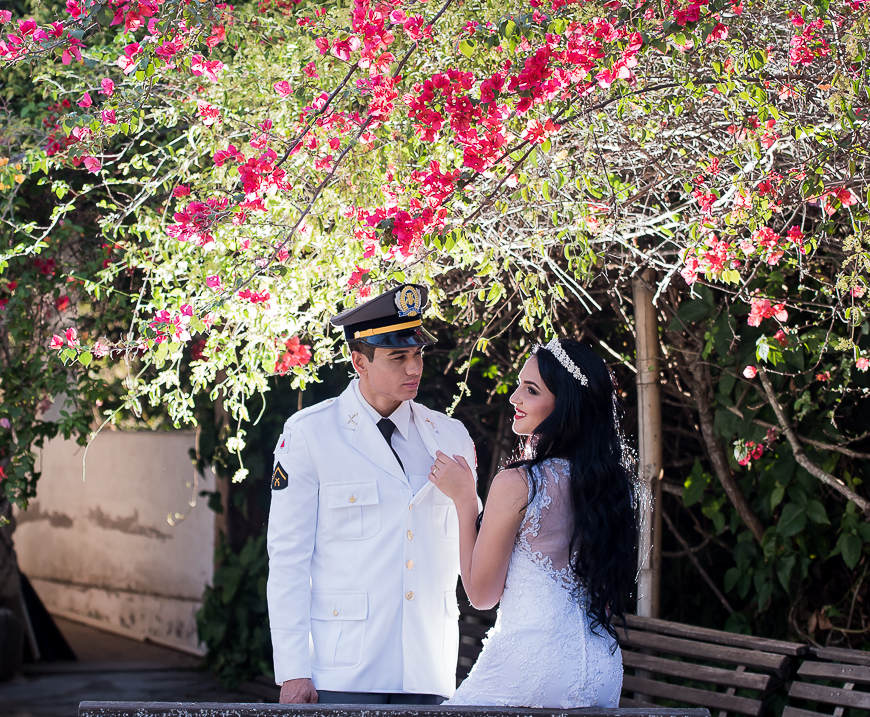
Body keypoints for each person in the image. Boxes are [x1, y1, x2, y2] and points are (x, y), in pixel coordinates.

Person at [266, 284, 477, 704]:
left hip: (429, 667)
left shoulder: (450, 436)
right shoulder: (310, 434)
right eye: (398, 357)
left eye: (417, 354)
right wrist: (293, 671)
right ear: (358, 361)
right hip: (344, 670)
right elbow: (289, 558)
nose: (413, 367)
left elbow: (471, 548)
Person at [430, 337, 638, 707]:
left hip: (533, 666)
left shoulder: (519, 483)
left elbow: (481, 594)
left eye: (530, 390)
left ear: (566, 405)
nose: (514, 399)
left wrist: (465, 501)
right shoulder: (611, 486)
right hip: (601, 672)